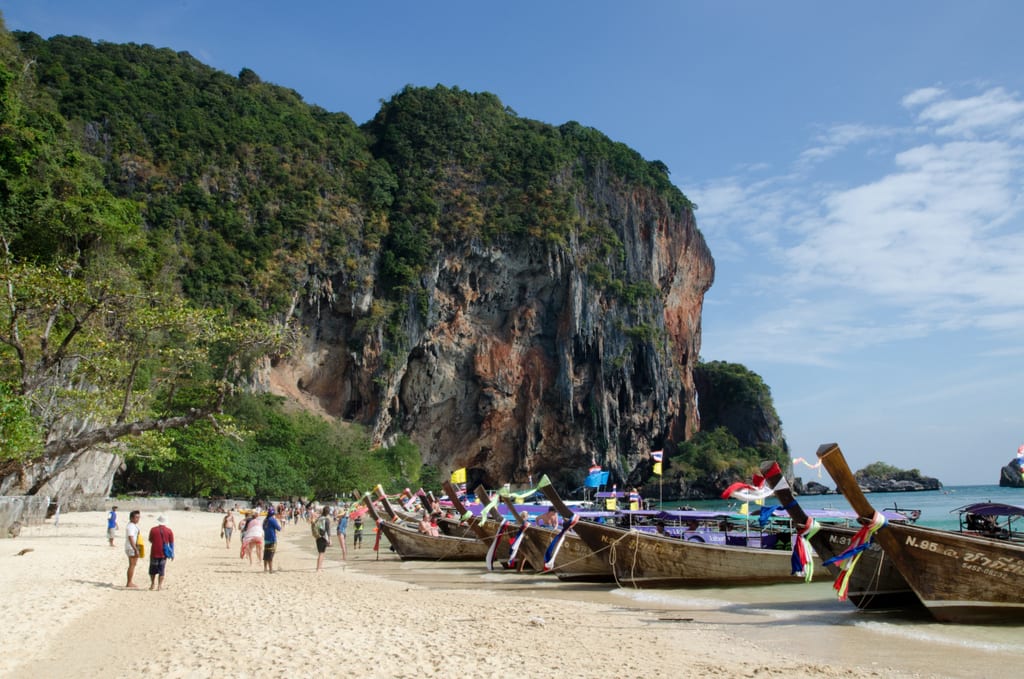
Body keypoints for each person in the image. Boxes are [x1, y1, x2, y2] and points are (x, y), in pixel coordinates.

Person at [147, 515, 174, 591]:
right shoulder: (169, 531)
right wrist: (172, 554)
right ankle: (159, 586)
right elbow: (171, 543)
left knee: (152, 570)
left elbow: (150, 540)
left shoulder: (153, 530)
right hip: (163, 553)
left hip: (154, 552)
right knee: (161, 570)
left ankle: (152, 584)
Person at [262, 507, 283, 573]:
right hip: (272, 539)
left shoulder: (265, 520)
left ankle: (265, 569)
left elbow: (263, 528)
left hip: (266, 539)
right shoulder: (272, 519)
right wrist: (279, 522)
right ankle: (270, 570)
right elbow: (279, 528)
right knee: (271, 554)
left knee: (266, 554)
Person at [124, 510, 141, 588]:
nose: (138, 519)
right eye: (136, 517)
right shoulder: (131, 526)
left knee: (133, 564)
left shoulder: (132, 525)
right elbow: (131, 538)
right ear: (131, 518)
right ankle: (129, 582)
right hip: (131, 547)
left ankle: (130, 581)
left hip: (132, 546)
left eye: (138, 517)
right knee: (132, 565)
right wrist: (135, 549)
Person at [313, 507, 331, 571]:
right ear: (328, 512)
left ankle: (319, 567)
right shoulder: (326, 519)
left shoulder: (319, 518)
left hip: (318, 536)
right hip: (323, 537)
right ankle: (318, 568)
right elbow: (328, 530)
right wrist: (329, 539)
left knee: (321, 552)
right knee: (322, 553)